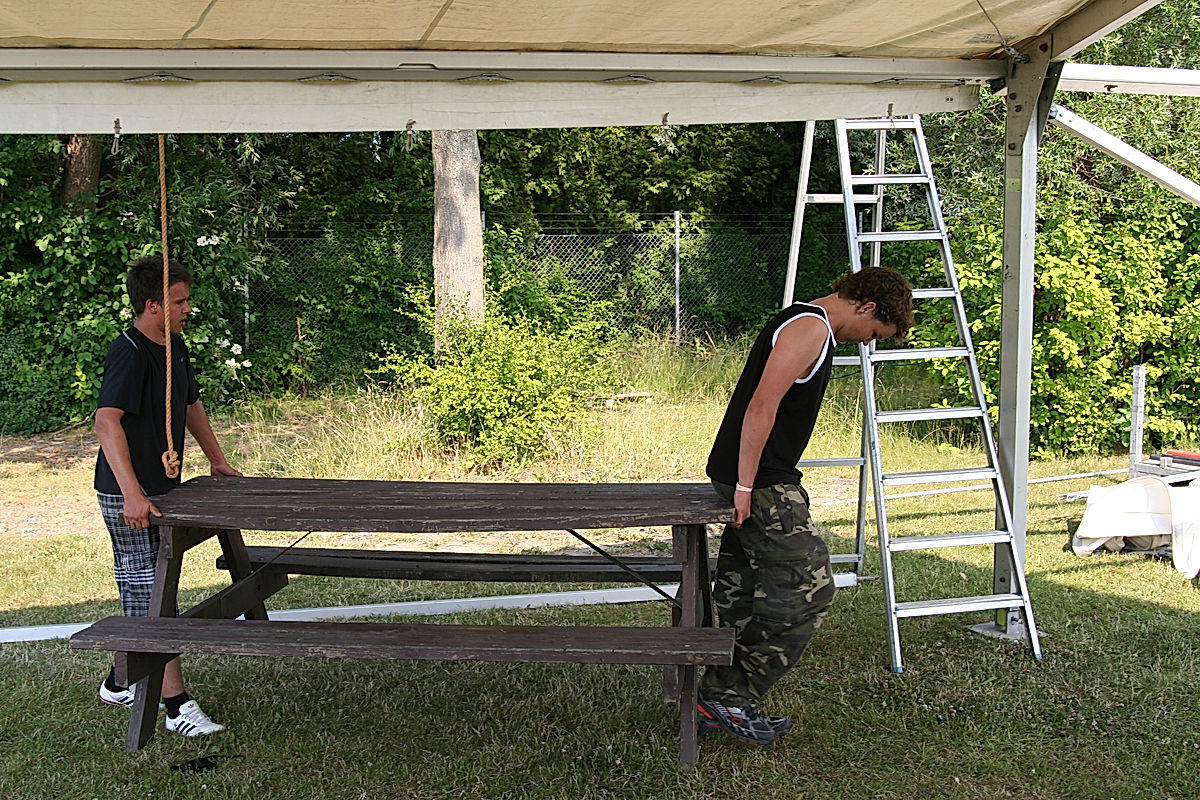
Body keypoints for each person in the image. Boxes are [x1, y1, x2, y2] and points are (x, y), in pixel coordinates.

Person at [697, 266, 914, 745]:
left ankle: (717, 697)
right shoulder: (810, 327)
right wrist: (745, 486)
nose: (867, 342)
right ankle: (728, 697)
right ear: (866, 307)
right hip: (761, 481)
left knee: (739, 589)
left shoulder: (805, 323)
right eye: (874, 334)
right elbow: (761, 407)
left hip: (757, 477)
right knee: (808, 591)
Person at [93, 255, 242, 737]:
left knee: (151, 590)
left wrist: (216, 459)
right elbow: (106, 422)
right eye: (179, 302)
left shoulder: (173, 344)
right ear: (152, 305)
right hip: (129, 495)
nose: (187, 309)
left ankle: (120, 681)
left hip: (162, 487)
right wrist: (133, 494)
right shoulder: (131, 351)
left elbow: (190, 404)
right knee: (151, 592)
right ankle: (175, 704)